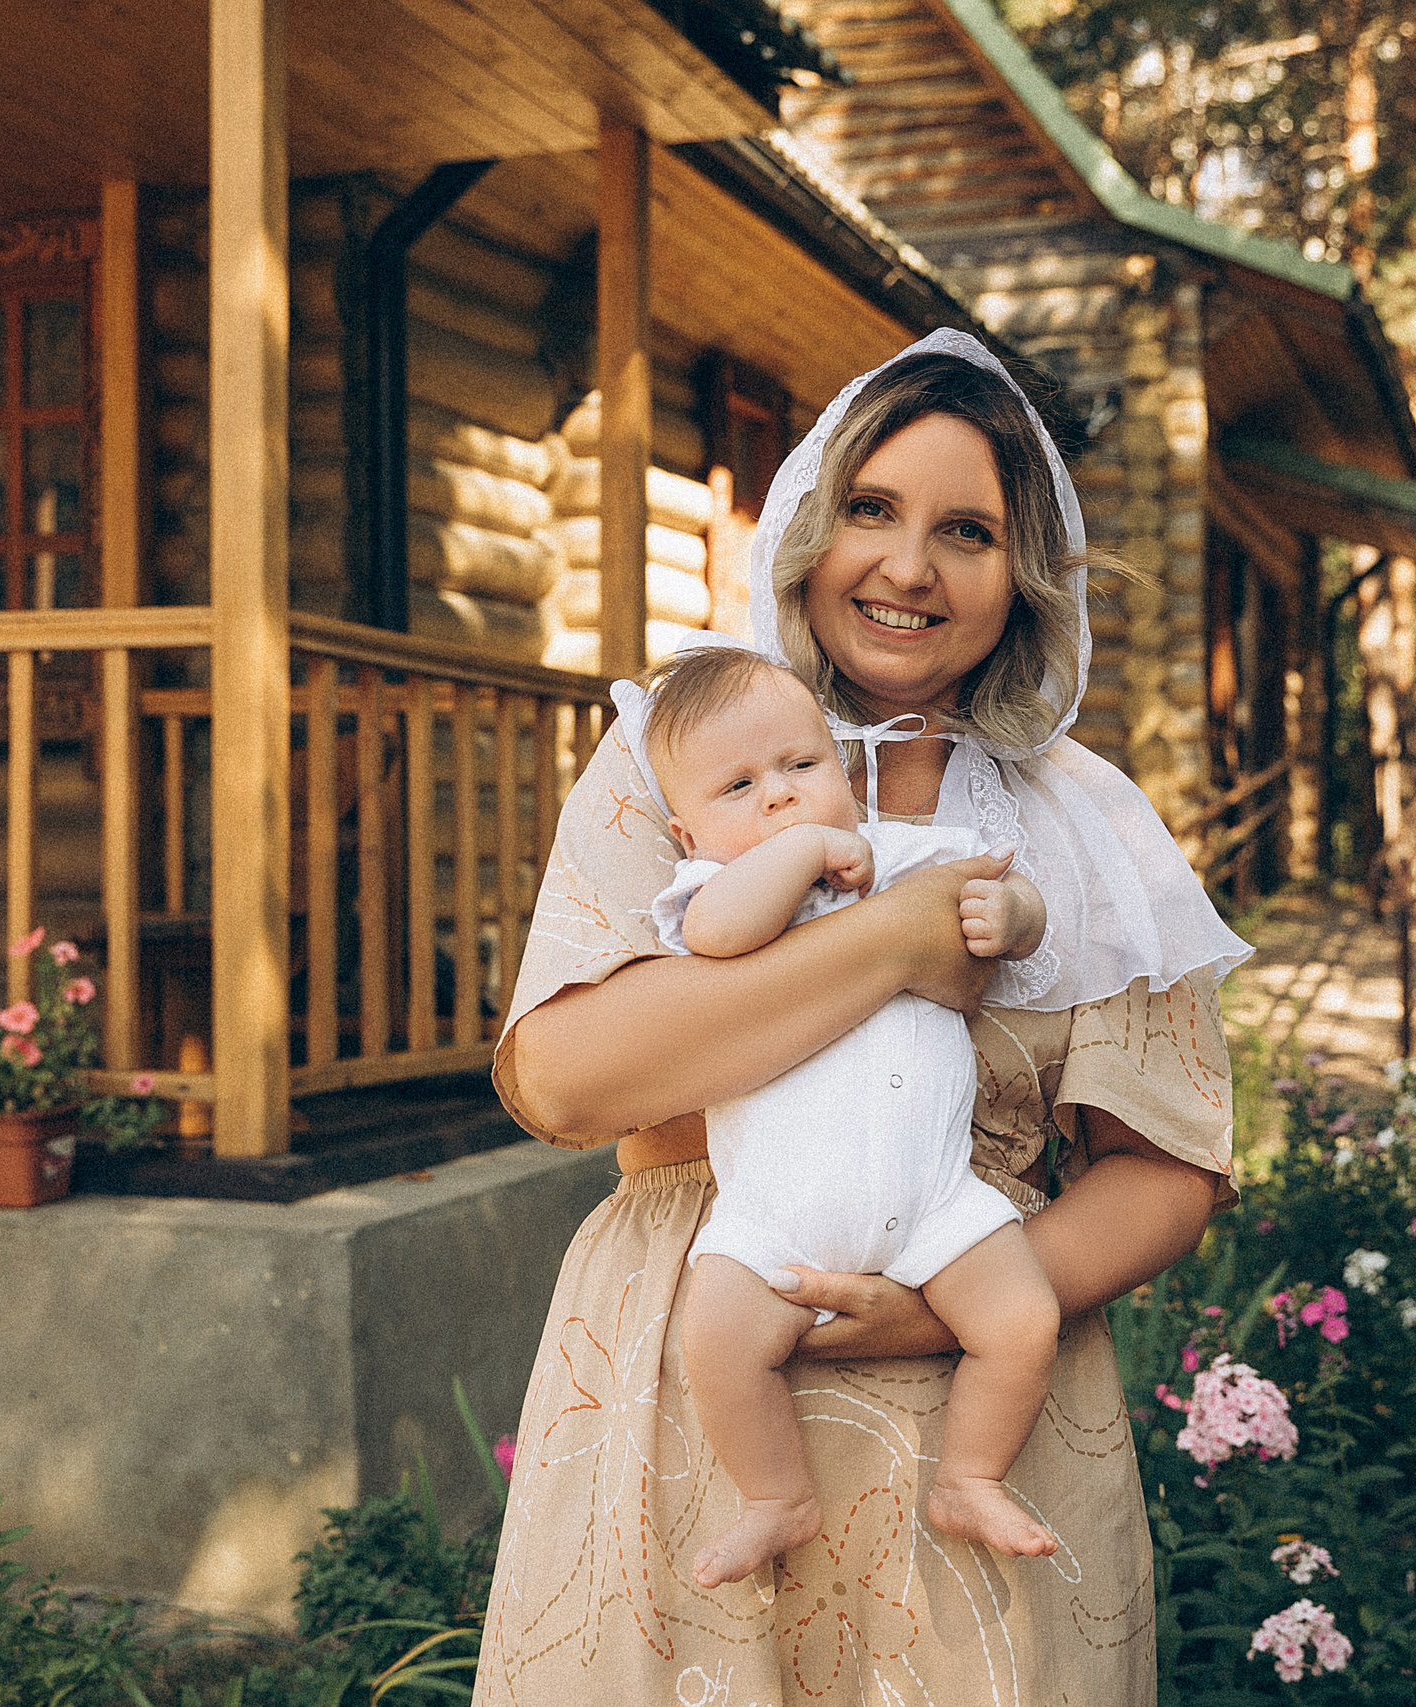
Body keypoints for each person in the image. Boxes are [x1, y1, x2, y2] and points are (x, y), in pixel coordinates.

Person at [473, 329, 1251, 1707]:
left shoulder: (1088, 826)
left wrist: (927, 1313)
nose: (908, 567)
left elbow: (1168, 1169)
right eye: (871, 510)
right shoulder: (681, 755)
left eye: (968, 531)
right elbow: (565, 1080)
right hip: (695, 1376)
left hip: (985, 1387)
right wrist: (895, 938)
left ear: (1023, 575)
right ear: (805, 527)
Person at [632, 646, 1061, 1586]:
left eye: (801, 764)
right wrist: (800, 853)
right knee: (716, 1340)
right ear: (687, 829)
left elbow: (1000, 883)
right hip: (775, 1220)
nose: (780, 795)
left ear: (844, 767)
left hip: (938, 1199)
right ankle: (775, 1496)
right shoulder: (712, 887)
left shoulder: (905, 853)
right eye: (740, 786)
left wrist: (1013, 916)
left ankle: (971, 1475)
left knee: (1025, 1318)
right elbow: (719, 936)